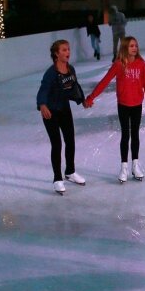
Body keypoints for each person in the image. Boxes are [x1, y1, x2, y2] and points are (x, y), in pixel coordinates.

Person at [84, 36, 145, 183]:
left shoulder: (142, 64)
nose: (134, 48)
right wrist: (91, 97)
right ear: (124, 48)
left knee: (135, 134)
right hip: (123, 105)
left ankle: (135, 165)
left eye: (135, 45)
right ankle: (123, 167)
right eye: (131, 46)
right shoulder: (118, 64)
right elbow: (105, 81)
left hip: (137, 105)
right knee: (125, 135)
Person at [37, 40, 85, 194]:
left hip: (64, 109)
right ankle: (57, 179)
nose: (68, 52)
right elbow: (43, 90)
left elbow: (74, 87)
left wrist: (82, 100)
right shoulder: (51, 73)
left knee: (70, 140)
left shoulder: (70, 69)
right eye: (64, 50)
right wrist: (42, 105)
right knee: (56, 144)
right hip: (50, 112)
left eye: (68, 49)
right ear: (57, 54)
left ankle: (70, 172)